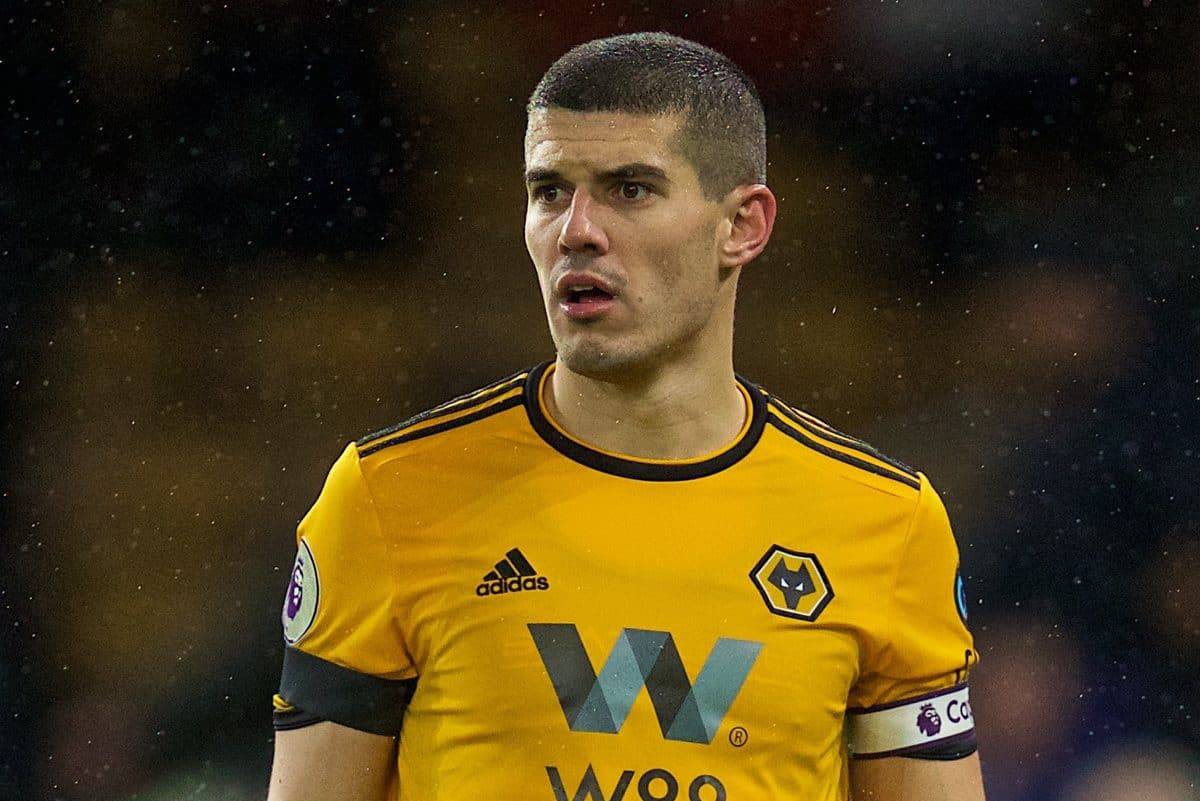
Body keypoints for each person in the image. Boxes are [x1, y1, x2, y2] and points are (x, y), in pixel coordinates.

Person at [267, 32, 985, 801]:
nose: (577, 228)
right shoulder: (387, 498)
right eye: (549, 191)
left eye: (630, 188)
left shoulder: (886, 524)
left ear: (743, 225)